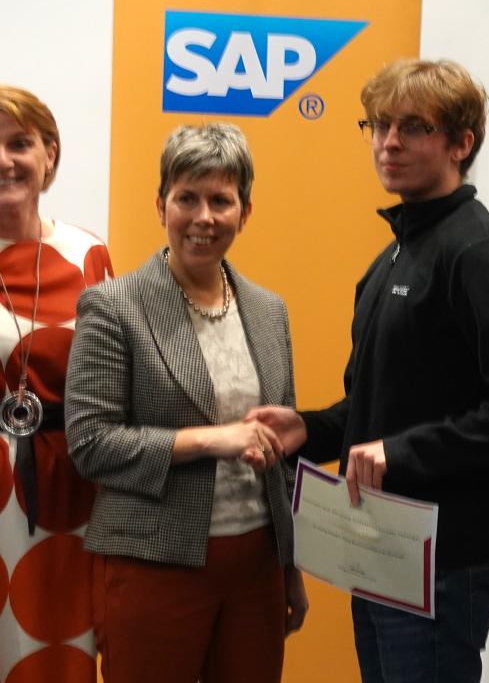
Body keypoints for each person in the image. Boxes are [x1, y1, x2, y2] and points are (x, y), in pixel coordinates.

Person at [249, 59, 489, 683]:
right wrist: (307, 431)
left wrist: (405, 452)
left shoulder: (474, 252)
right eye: (379, 125)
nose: (389, 142)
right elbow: (377, 406)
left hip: (443, 559)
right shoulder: (397, 252)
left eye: (414, 127)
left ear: (461, 143)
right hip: (382, 543)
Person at [64, 123, 306, 683]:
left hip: (256, 570)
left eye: (221, 200)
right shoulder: (112, 305)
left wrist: (289, 568)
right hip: (152, 564)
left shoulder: (270, 311)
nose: (204, 217)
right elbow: (91, 443)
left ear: (245, 211)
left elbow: (280, 454)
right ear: (160, 204)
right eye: (187, 198)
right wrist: (210, 439)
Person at [0, 85, 113, 682]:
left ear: (49, 153)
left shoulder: (89, 253)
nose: (4, 160)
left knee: (59, 651)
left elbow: (114, 384)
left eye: (19, 143)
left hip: (70, 490)